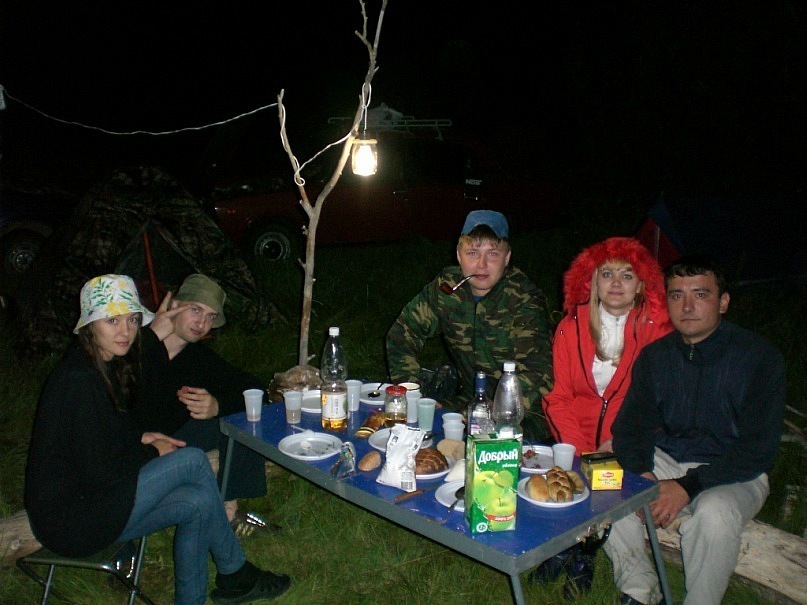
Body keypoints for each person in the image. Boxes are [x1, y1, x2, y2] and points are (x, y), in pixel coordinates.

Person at [24, 274, 290, 604]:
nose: (125, 331)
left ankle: (222, 585)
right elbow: (101, 471)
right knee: (192, 460)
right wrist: (151, 451)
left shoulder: (101, 365)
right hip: (73, 521)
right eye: (112, 321)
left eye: (132, 320)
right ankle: (236, 574)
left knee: (196, 502)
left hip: (92, 501)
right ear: (89, 324)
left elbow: (104, 433)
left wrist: (140, 436)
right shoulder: (79, 380)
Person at [604, 255, 786, 605]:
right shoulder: (656, 357)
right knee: (609, 485)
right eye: (677, 295)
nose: (687, 306)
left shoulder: (759, 358)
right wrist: (644, 475)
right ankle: (639, 589)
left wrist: (686, 487)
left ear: (723, 302)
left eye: (700, 294)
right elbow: (630, 427)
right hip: (667, 460)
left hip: (734, 473)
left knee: (715, 515)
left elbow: (758, 449)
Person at [386, 209, 554, 442]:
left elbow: (538, 373)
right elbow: (403, 333)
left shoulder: (524, 299)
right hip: (470, 400)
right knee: (415, 426)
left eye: (492, 254)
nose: (481, 265)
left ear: (507, 258)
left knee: (487, 446)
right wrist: (411, 392)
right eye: (473, 253)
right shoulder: (447, 288)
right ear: (458, 255)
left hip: (526, 411)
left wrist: (489, 414)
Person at [133, 273, 270, 535]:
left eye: (210, 316)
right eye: (195, 310)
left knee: (241, 420)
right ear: (174, 306)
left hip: (176, 439)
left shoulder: (199, 358)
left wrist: (217, 405)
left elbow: (254, 389)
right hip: (132, 444)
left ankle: (228, 507)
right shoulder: (135, 345)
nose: (202, 323)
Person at [542, 237, 672, 455]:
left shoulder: (657, 333)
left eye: (627, 276)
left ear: (640, 285)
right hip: (575, 447)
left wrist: (624, 441)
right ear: (594, 281)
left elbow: (663, 403)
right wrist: (580, 454)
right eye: (607, 274)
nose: (616, 283)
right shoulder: (570, 327)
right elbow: (558, 398)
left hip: (633, 447)